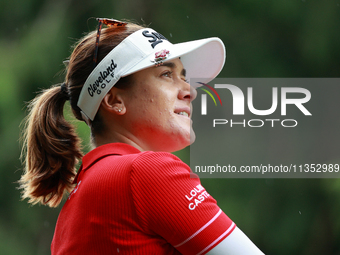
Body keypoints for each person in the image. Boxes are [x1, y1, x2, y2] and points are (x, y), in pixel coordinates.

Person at [19, 18, 265, 254]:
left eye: (183, 76)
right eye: (166, 74)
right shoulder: (145, 172)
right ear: (114, 100)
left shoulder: (79, 197)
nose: (190, 91)